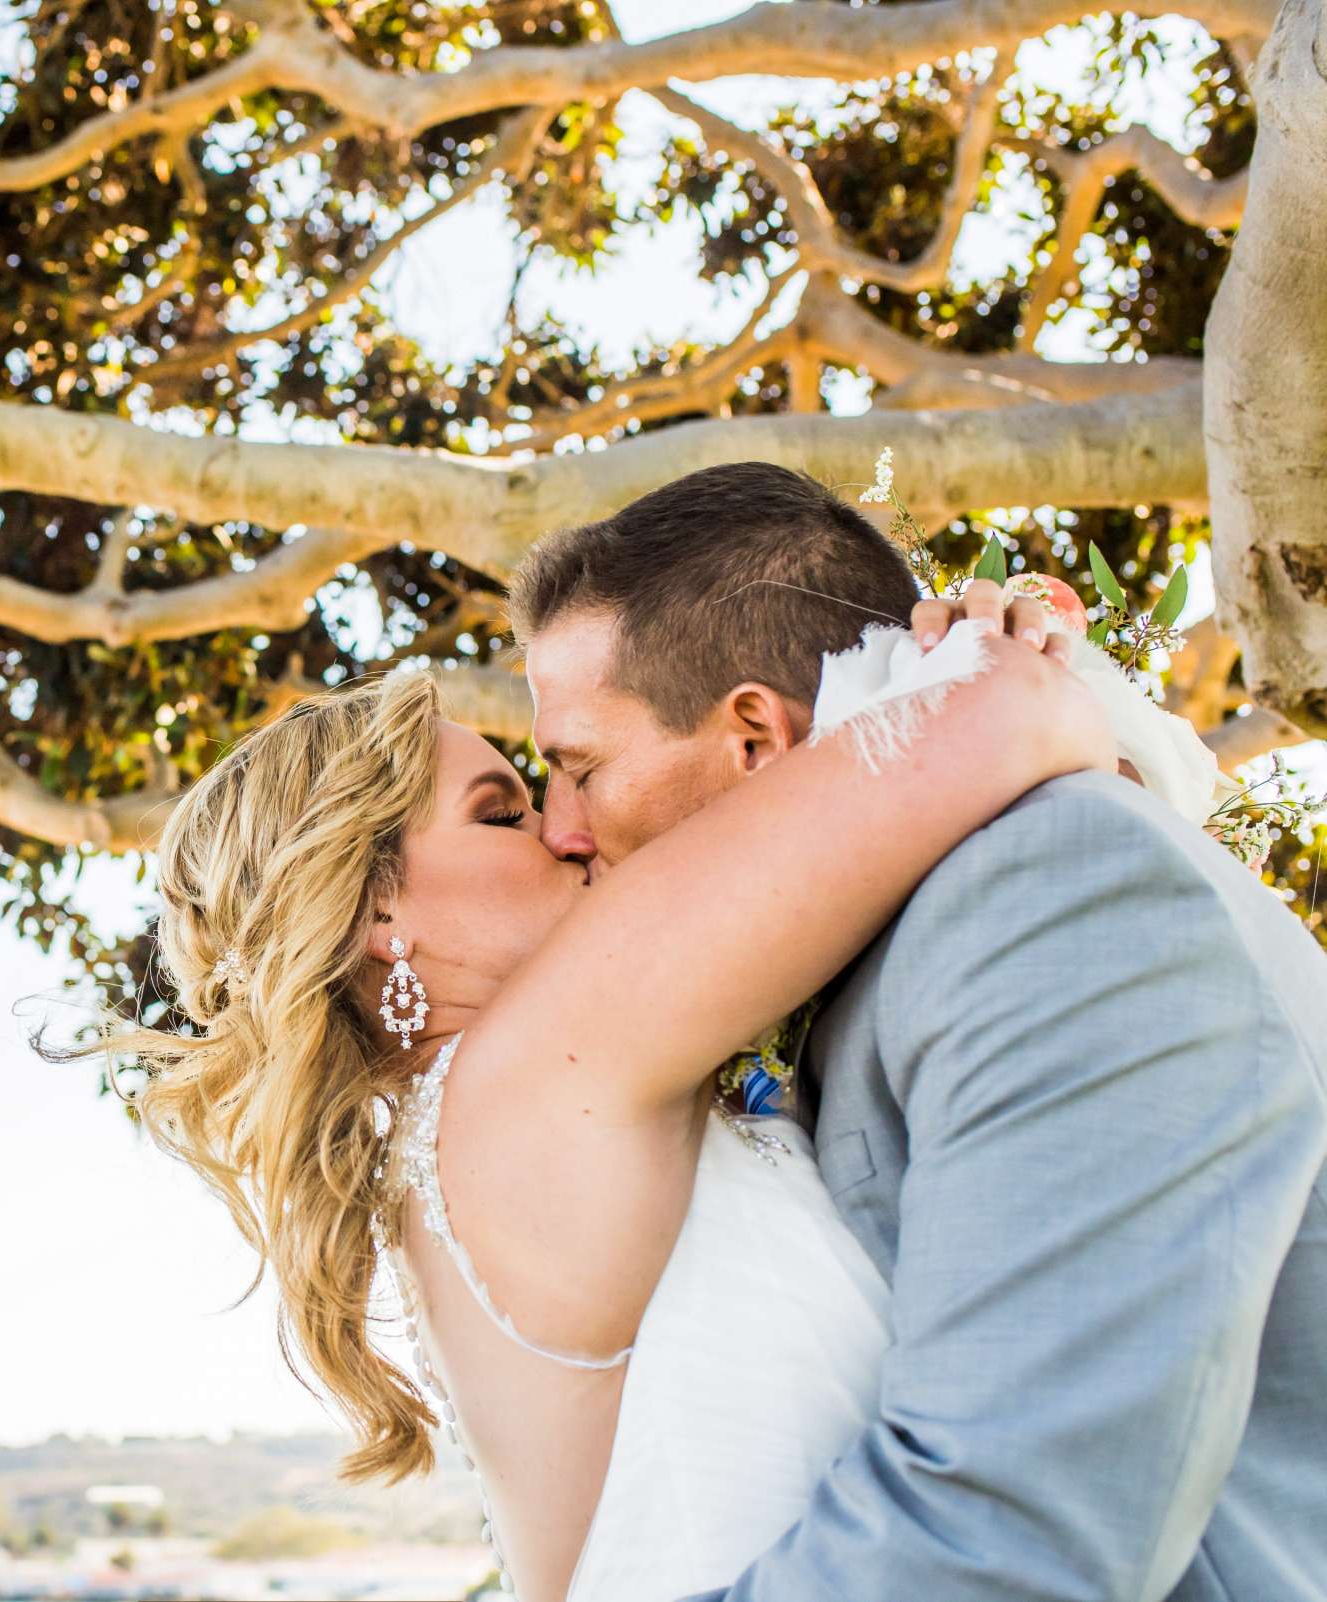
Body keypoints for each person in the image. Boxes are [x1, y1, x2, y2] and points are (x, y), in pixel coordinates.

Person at [90, 576, 1115, 1596]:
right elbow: (1009, 714)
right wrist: (994, 643)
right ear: (378, 915)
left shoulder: (473, 1127)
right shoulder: (526, 1078)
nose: (569, 831)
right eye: (504, 815)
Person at [509, 461, 1327, 1601]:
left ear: (753, 735)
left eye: (578, 768)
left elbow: (1007, 1532)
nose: (558, 831)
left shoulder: (1053, 887)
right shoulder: (887, 955)